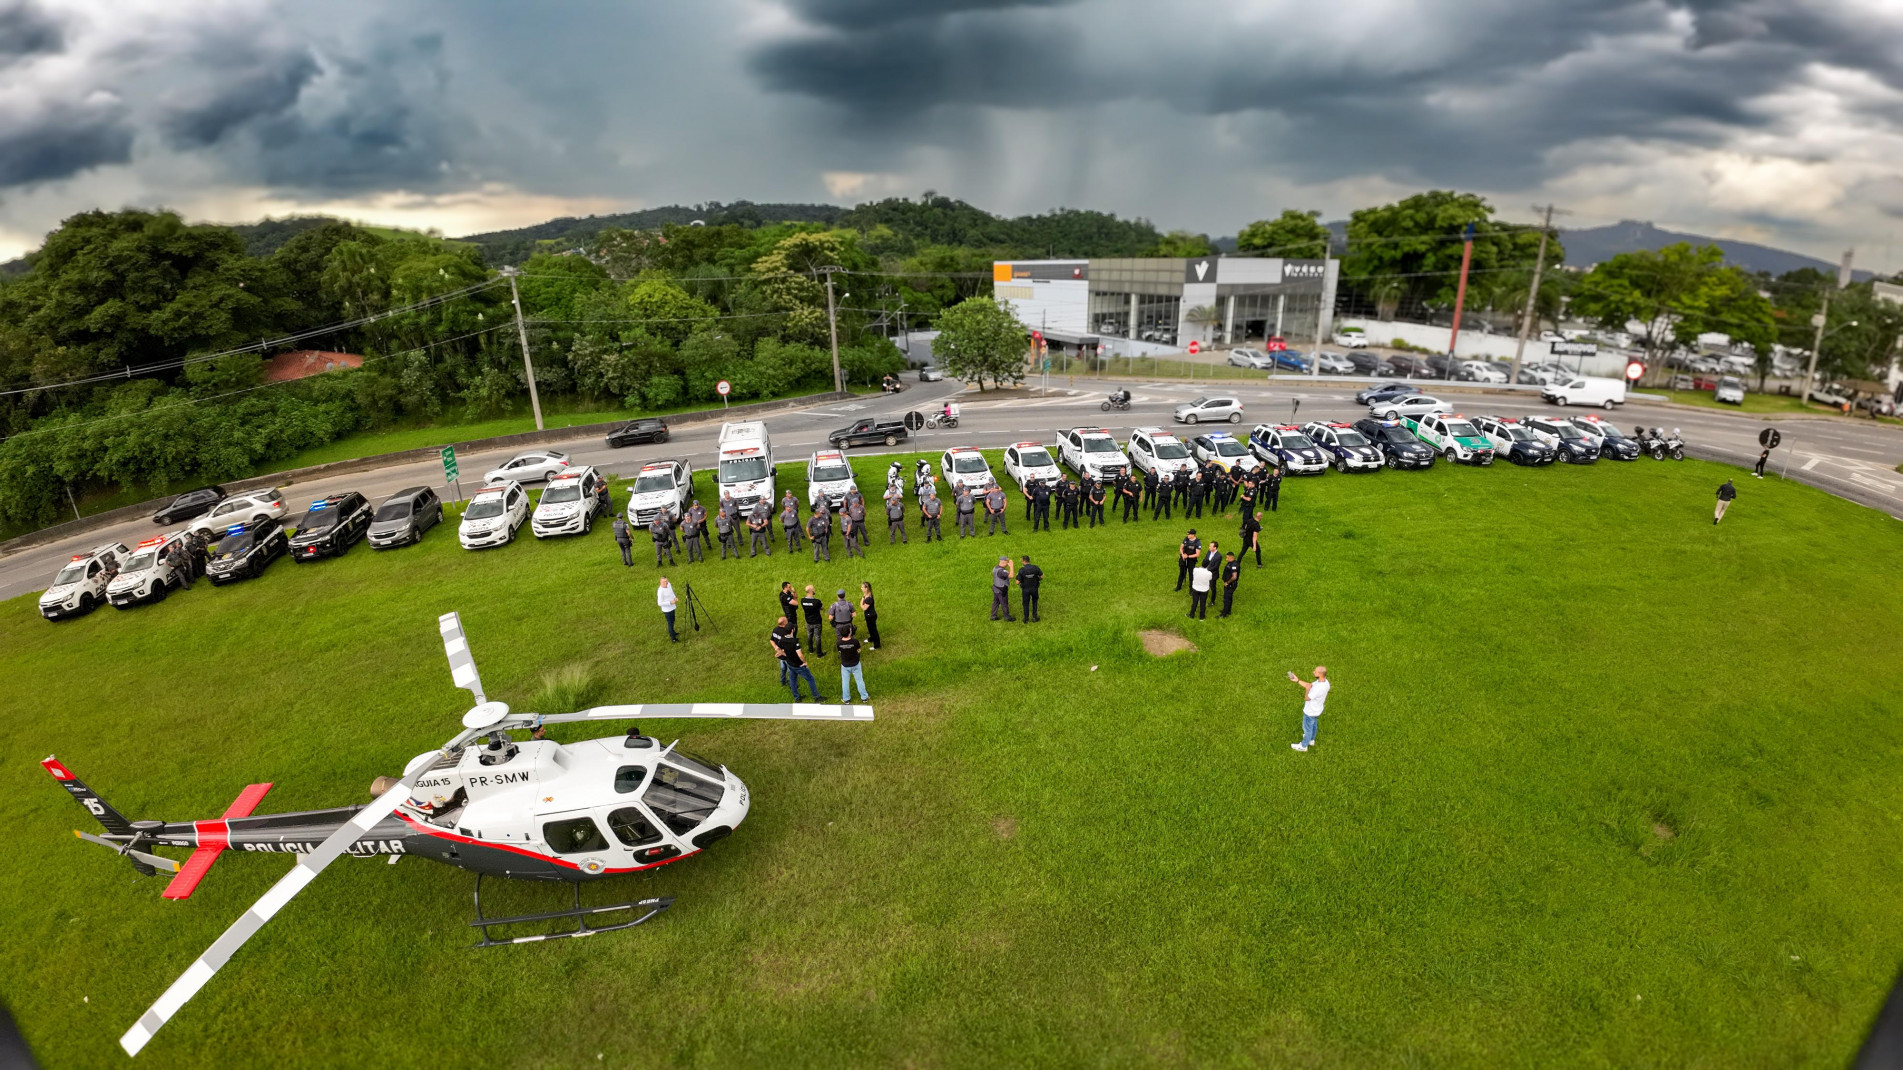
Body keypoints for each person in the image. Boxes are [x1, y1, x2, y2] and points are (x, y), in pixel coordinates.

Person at [770, 616, 822, 701]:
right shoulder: (795, 642)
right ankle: (816, 697)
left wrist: (781, 653)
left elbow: (778, 648)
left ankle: (797, 697)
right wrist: (804, 662)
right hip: (798, 664)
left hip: (789, 663)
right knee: (810, 679)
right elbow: (800, 655)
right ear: (792, 630)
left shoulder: (782, 639)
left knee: (792, 680)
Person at [1289, 665, 1330, 752]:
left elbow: (1307, 698)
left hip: (1310, 711)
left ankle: (1303, 746)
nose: (1313, 672)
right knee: (1313, 725)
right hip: (1317, 710)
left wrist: (1307, 690)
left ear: (1319, 674)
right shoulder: (1325, 683)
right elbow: (1309, 685)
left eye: (1315, 672)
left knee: (1307, 728)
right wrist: (1298, 680)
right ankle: (1311, 740)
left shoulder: (1318, 689)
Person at [836, 623, 870, 701]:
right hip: (855, 664)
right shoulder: (855, 641)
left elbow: (840, 651)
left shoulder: (839, 643)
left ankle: (846, 698)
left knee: (845, 682)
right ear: (849, 632)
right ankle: (864, 697)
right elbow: (858, 650)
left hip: (845, 665)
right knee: (859, 680)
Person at [800, 584, 827, 657]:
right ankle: (819, 654)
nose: (814, 590)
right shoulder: (817, 602)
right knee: (817, 637)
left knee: (809, 635)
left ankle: (811, 650)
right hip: (817, 621)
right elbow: (822, 608)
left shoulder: (802, 600)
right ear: (811, 591)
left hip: (808, 621)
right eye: (813, 589)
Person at [1016, 554, 1043, 623]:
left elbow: (1017, 582)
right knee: (1035, 602)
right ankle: (1034, 617)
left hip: (1025, 589)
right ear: (1029, 560)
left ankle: (1026, 618)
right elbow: (1041, 577)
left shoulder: (1021, 570)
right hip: (1034, 588)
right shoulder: (1035, 568)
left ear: (1023, 561)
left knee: (1025, 603)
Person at [990, 557, 1016, 621]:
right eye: (1007, 563)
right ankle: (1007, 617)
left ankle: (993, 616)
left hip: (996, 588)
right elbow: (1011, 576)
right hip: (1001, 590)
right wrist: (1011, 566)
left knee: (995, 602)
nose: (1008, 564)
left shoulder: (995, 568)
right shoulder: (1002, 571)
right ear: (1004, 562)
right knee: (1004, 603)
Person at [860, 580, 882, 649]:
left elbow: (864, 608)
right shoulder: (866, 595)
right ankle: (871, 638)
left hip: (871, 616)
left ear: (866, 588)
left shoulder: (869, 598)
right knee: (869, 628)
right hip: (868, 615)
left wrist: (861, 603)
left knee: (874, 630)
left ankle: (877, 645)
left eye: (862, 587)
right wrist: (863, 599)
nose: (861, 588)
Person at [657, 578, 679, 642]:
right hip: (667, 609)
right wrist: (670, 602)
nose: (665, 583)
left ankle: (672, 632)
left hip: (672, 607)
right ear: (660, 582)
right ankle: (673, 638)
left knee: (673, 620)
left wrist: (675, 598)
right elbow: (659, 603)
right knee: (670, 622)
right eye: (663, 582)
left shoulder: (669, 585)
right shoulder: (660, 591)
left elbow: (672, 592)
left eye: (666, 581)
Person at [1219, 552, 1240, 617]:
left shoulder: (1234, 565)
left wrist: (1227, 582)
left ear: (1232, 557)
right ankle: (1228, 610)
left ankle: (1224, 614)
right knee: (1229, 598)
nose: (1226, 559)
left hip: (1230, 584)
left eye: (1227, 558)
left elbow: (1234, 577)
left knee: (1226, 599)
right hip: (1229, 584)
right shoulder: (1230, 563)